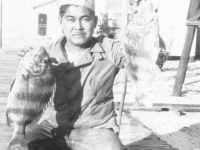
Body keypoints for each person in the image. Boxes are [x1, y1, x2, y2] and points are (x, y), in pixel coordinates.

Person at [25, 0, 137, 149]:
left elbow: (140, 50)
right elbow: (23, 92)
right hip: (52, 128)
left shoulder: (111, 49)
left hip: (96, 130)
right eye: (70, 19)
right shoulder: (44, 55)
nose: (78, 27)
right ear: (61, 21)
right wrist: (24, 67)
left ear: (95, 21)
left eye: (85, 19)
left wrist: (141, 14)